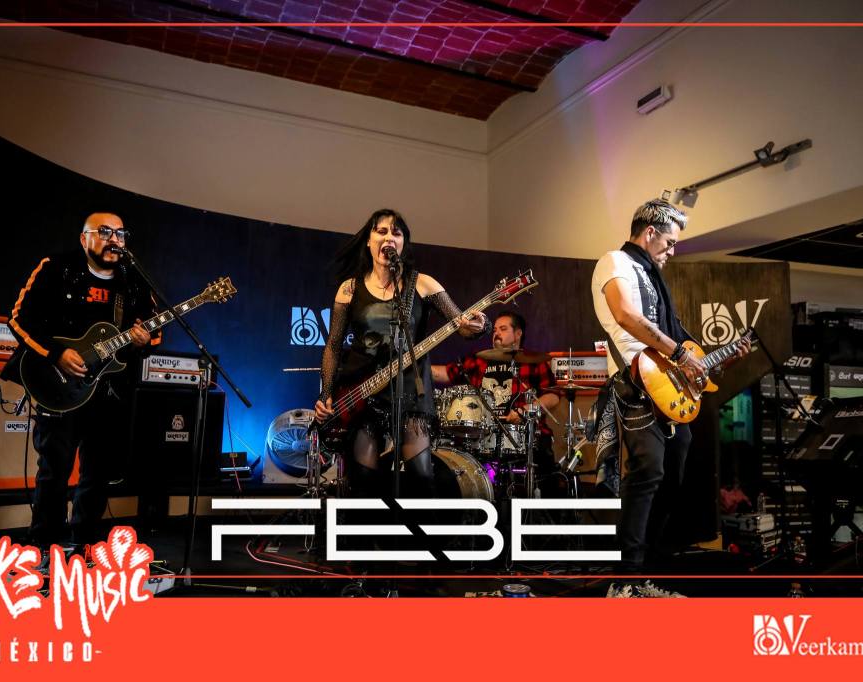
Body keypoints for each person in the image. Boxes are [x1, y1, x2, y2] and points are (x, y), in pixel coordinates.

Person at [591, 198, 749, 597]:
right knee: (647, 472)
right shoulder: (615, 262)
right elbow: (625, 315)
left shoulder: (656, 281)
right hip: (636, 382)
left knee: (672, 477)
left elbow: (685, 350)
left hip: (668, 387)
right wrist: (679, 354)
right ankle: (626, 578)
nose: (672, 251)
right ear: (649, 233)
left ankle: (650, 568)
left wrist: (717, 360)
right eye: (669, 242)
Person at [2, 212, 160, 553]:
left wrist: (144, 339)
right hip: (58, 385)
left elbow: (153, 328)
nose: (114, 239)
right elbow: (19, 319)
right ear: (84, 238)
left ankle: (84, 544)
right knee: (54, 469)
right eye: (104, 232)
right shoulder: (56, 268)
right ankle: (44, 546)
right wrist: (56, 353)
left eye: (120, 233)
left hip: (109, 389)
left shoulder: (133, 279)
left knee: (98, 472)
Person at [313, 209, 489, 507]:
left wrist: (479, 326)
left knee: (421, 475)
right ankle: (372, 535)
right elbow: (333, 345)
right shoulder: (350, 288)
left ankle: (423, 535)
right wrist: (327, 394)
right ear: (369, 240)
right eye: (381, 231)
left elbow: (461, 325)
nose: (389, 238)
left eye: (396, 233)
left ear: (403, 243)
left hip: (409, 389)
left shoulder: (422, 284)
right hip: (362, 390)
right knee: (364, 477)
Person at [431, 310, 561, 490]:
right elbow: (445, 373)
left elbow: (553, 397)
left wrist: (525, 411)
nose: (496, 333)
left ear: (518, 333)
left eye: (503, 329)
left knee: (546, 473)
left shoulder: (533, 361)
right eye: (495, 330)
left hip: (526, 435)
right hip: (483, 435)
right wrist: (416, 366)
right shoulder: (479, 360)